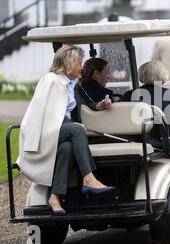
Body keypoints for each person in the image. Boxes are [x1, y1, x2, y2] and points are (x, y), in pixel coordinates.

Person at [17, 45, 114, 216]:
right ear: (68, 64)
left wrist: (99, 105)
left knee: (66, 149)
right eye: (78, 63)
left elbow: (80, 107)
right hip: (45, 130)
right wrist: (72, 127)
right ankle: (89, 178)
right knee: (77, 130)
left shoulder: (70, 84)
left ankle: (55, 197)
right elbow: (39, 115)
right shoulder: (51, 81)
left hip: (60, 128)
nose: (82, 68)